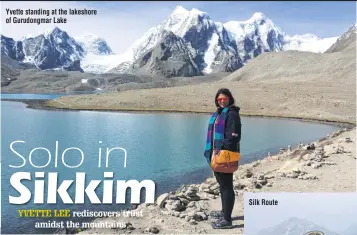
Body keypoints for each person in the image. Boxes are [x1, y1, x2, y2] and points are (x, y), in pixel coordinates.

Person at [203, 88, 241, 229]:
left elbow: (233, 136)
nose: (222, 101)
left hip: (224, 156)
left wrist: (222, 151)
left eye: (224, 98)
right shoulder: (218, 114)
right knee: (222, 184)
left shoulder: (232, 114)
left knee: (226, 186)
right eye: (219, 99)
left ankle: (227, 220)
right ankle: (224, 212)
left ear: (230, 98)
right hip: (216, 154)